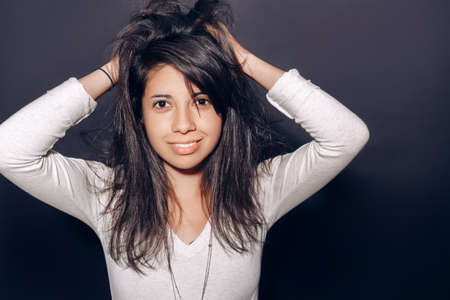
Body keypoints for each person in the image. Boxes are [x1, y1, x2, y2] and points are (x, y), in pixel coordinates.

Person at [0, 0, 370, 299]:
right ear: (140, 114)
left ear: (223, 110)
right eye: (162, 104)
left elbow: (346, 137)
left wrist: (242, 61)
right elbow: (8, 149)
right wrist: (117, 69)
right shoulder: (105, 194)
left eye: (202, 100)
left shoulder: (260, 189)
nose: (183, 124)